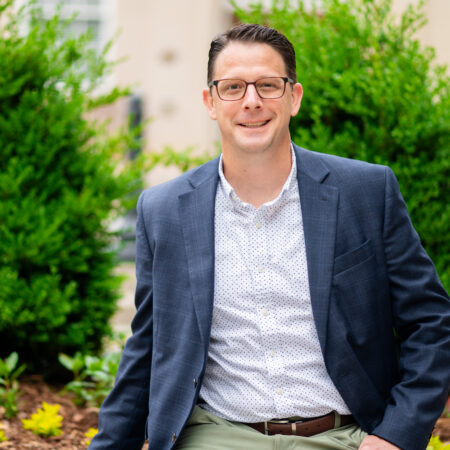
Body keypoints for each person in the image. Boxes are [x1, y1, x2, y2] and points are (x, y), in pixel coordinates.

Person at [90, 24, 450, 450]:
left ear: (294, 97)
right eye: (232, 87)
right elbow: (148, 348)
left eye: (267, 85)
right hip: (217, 437)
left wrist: (395, 436)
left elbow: (432, 323)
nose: (251, 101)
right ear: (210, 102)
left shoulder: (366, 192)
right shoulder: (164, 211)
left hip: (346, 436)